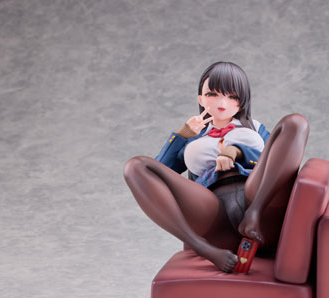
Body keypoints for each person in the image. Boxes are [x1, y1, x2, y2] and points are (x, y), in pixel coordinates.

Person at [124, 61, 309, 273]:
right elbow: (158, 174)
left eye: (232, 96)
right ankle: (202, 247)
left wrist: (237, 151)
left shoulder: (255, 128)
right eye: (212, 94)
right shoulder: (192, 137)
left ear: (243, 101)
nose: (222, 102)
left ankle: (254, 213)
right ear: (201, 99)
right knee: (135, 166)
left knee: (295, 122)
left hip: (256, 199)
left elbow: (275, 161)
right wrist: (182, 135)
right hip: (213, 210)